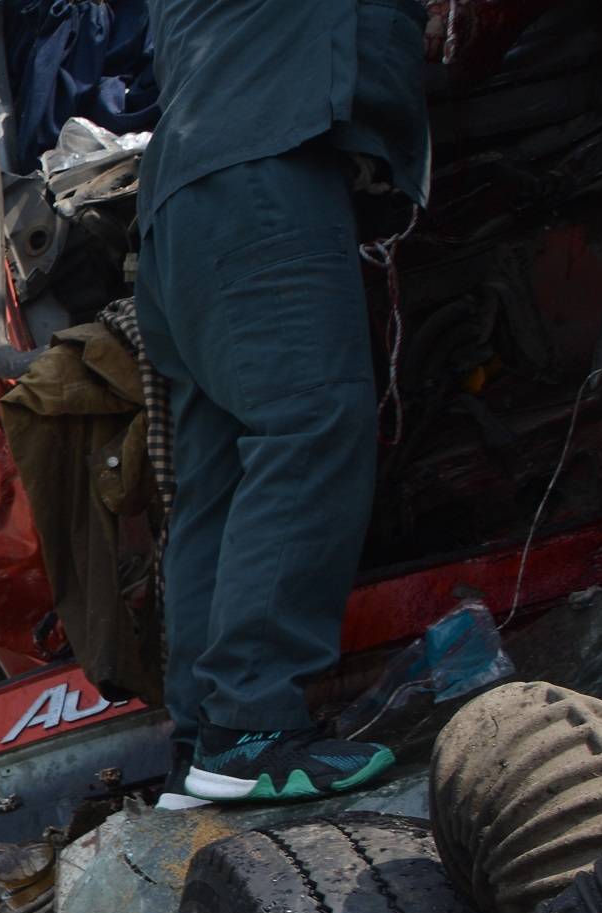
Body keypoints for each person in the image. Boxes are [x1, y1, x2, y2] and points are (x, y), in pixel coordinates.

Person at [135, 0, 430, 805]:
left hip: (181, 200)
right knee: (310, 422)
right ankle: (252, 728)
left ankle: (203, 745)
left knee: (220, 481)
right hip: (261, 173)